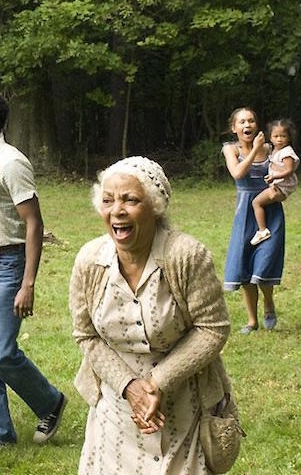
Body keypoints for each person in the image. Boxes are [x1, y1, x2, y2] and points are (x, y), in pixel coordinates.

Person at [70, 156, 233, 473]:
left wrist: (156, 383)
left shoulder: (186, 256)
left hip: (184, 407)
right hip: (116, 408)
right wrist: (130, 388)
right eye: (108, 200)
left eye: (130, 200)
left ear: (155, 206)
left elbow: (212, 329)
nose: (117, 210)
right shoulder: (89, 261)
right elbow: (85, 334)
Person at [0, 87, 66, 448]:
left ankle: (50, 402)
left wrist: (28, 283)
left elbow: (33, 224)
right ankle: (0, 433)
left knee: (2, 353)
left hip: (7, 267)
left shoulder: (11, 161)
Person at [222, 107, 286, 333]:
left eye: (251, 121)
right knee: (245, 264)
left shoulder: (270, 148)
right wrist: (254, 150)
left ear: (256, 125)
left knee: (265, 261)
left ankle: (269, 303)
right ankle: (252, 320)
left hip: (270, 210)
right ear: (234, 128)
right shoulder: (230, 149)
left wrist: (283, 189)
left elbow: (289, 166)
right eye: (242, 122)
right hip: (245, 213)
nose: (247, 125)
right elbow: (238, 173)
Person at [250, 119, 300, 246]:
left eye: (283, 136)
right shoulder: (274, 150)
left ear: (288, 137)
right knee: (263, 201)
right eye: (276, 136)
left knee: (256, 203)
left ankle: (262, 230)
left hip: (281, 187)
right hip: (276, 186)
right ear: (270, 138)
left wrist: (274, 177)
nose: (279, 139)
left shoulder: (287, 152)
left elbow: (289, 170)